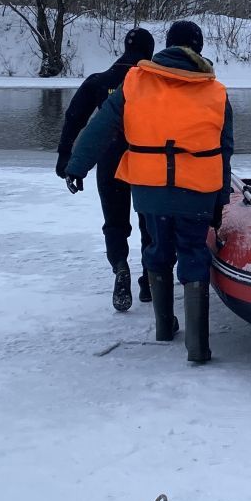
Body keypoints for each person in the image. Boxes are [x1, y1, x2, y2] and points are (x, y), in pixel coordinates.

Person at [63, 21, 234, 363]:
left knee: (157, 249)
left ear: (167, 47)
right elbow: (224, 149)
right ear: (197, 50)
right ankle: (198, 347)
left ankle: (163, 328)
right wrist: (220, 200)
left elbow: (100, 127)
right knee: (193, 253)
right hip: (198, 189)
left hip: (148, 186)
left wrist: (76, 165)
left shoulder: (135, 82)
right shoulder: (215, 91)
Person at [56, 27, 156, 312]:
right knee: (149, 223)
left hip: (109, 160)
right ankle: (150, 280)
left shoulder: (100, 81)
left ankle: (120, 267)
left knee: (115, 223)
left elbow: (74, 118)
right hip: (145, 162)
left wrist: (66, 157)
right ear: (149, 52)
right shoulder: (155, 83)